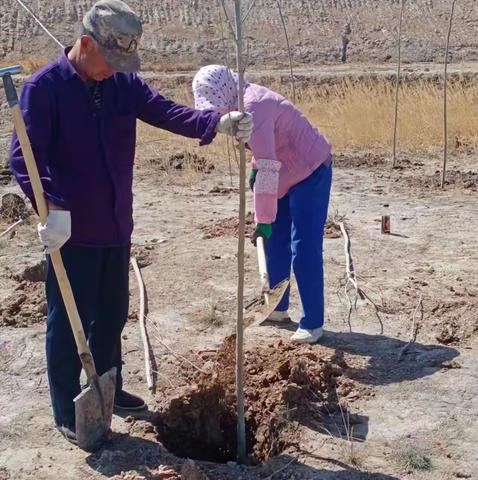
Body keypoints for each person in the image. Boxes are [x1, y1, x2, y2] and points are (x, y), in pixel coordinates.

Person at [8, 2, 252, 445]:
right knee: (70, 321)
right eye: (109, 60)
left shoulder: (122, 83)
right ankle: (69, 409)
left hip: (116, 224)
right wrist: (53, 205)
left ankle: (108, 388)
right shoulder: (44, 88)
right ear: (85, 45)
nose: (114, 70)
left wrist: (216, 123)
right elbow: (23, 154)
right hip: (71, 230)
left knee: (112, 313)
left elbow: (164, 111)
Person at [193, 65, 332, 344]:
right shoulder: (241, 105)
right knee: (275, 242)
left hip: (310, 168)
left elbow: (268, 165)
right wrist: (256, 170)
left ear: (224, 93)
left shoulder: (252, 108)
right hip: (283, 169)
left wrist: (263, 220)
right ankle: (278, 308)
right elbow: (265, 154)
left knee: (303, 246)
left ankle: (313, 323)